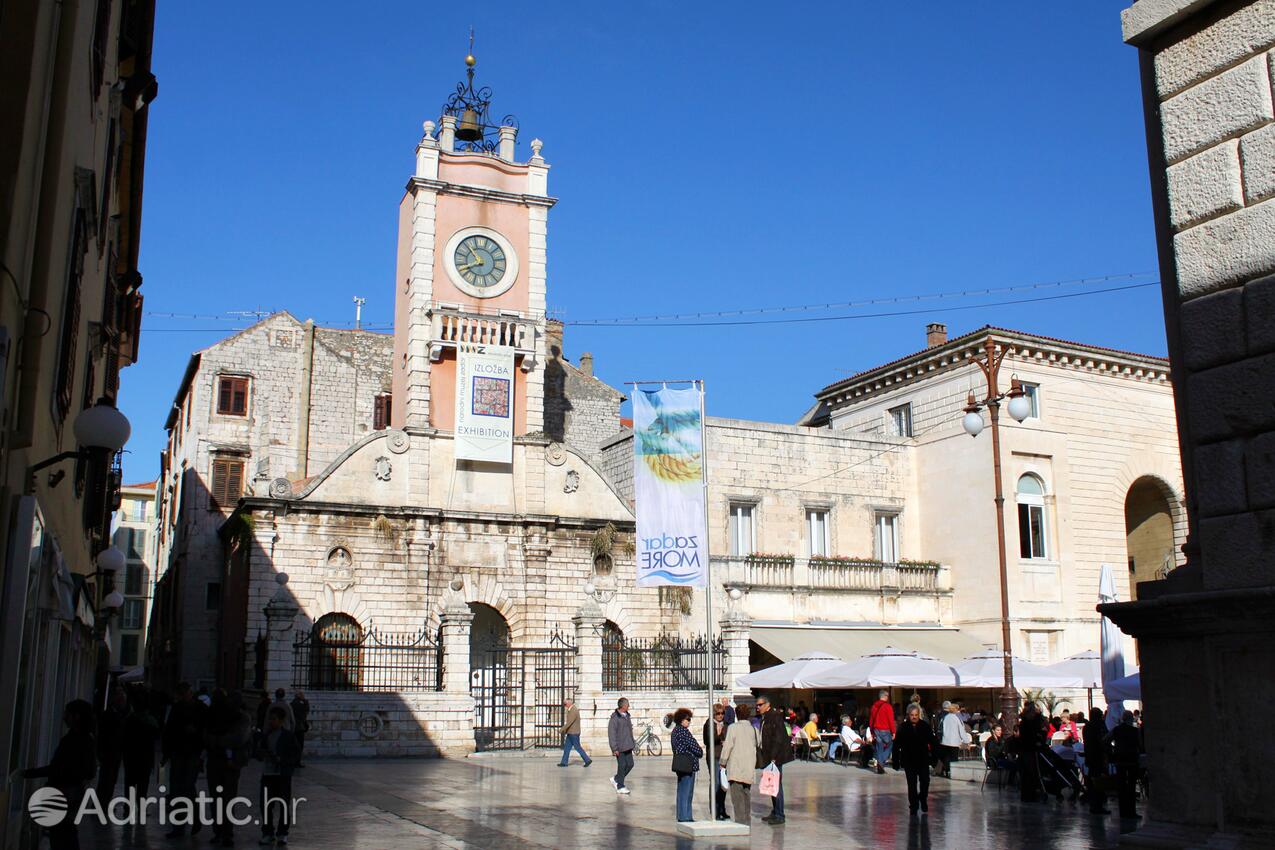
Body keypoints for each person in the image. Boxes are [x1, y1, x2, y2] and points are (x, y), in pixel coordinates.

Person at [23, 700, 96, 850]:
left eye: (66, 713)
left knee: (61, 836)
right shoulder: (87, 739)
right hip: (73, 795)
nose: (63, 717)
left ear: (75, 716)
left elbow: (56, 768)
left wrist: (26, 774)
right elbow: (91, 771)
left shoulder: (73, 740)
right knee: (66, 834)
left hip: (63, 794)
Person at [205, 690, 253, 847]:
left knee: (227, 798)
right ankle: (219, 831)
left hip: (230, 762)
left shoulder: (242, 718)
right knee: (218, 798)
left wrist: (216, 740)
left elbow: (238, 739)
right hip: (218, 761)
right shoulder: (217, 716)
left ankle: (226, 832)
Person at [162, 682, 207, 837]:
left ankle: (194, 819)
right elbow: (169, 730)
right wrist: (166, 752)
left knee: (187, 787)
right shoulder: (177, 708)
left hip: (193, 752)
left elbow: (205, 729)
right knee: (177, 788)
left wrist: (196, 733)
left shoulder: (200, 709)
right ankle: (179, 825)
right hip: (179, 752)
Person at [256, 705, 300, 846]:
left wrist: (283, 760)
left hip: (282, 775)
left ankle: (282, 833)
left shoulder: (288, 736)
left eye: (274, 719)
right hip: (268, 774)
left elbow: (295, 754)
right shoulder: (267, 735)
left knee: (283, 804)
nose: (271, 722)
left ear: (281, 721)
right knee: (266, 805)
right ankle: (268, 832)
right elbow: (258, 753)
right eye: (270, 719)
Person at [719, 703, 759, 825]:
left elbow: (728, 746)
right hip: (749, 766)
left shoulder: (733, 728)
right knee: (746, 794)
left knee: (737, 798)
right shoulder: (754, 729)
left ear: (737, 714)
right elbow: (759, 743)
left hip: (736, 766)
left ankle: (741, 822)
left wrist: (723, 762)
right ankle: (747, 821)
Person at [755, 695, 792, 825]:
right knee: (771, 785)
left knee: (776, 785)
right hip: (768, 756)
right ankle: (775, 811)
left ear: (767, 704)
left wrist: (773, 757)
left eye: (760, 704)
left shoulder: (775, 716)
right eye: (757, 705)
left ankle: (780, 814)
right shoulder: (766, 717)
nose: (757, 707)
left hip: (774, 758)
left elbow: (778, 738)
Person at [895, 705, 936, 815]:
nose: (914, 717)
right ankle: (913, 805)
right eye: (912, 715)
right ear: (908, 715)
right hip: (909, 759)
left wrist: (935, 758)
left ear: (919, 715)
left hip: (922, 759)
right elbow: (896, 744)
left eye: (916, 715)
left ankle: (923, 799)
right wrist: (896, 761)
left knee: (925, 782)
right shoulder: (903, 727)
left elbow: (933, 742)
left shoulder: (925, 726)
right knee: (911, 784)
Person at [121, 690, 160, 798]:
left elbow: (124, 738)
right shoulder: (151, 721)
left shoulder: (129, 720)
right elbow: (156, 737)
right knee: (143, 785)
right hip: (146, 758)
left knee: (130, 784)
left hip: (131, 757)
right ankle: (141, 805)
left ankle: (128, 808)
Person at [1106, 709, 1143, 819]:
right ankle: (1131, 812)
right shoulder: (1135, 731)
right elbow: (1140, 745)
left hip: (1120, 760)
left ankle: (1123, 812)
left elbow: (1106, 740)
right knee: (1131, 786)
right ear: (1131, 719)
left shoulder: (1116, 730)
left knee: (1121, 787)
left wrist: (1113, 750)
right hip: (1132, 760)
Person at [95, 688, 128, 801]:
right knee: (107, 779)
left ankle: (105, 800)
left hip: (114, 752)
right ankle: (103, 801)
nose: (124, 704)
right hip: (110, 752)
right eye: (123, 701)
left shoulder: (114, 714)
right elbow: (104, 734)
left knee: (109, 778)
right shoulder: (110, 715)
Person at [670, 708, 702, 823]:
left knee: (681, 790)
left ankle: (681, 815)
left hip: (680, 764)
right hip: (688, 765)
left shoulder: (675, 731)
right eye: (687, 719)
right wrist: (700, 752)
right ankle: (686, 816)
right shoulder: (683, 731)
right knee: (687, 792)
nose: (689, 721)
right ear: (681, 720)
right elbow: (694, 746)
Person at [1017, 701, 1047, 803]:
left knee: (1028, 774)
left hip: (1027, 750)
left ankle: (1028, 794)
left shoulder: (1025, 722)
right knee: (1030, 773)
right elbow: (1033, 735)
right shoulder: (1029, 722)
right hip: (1029, 750)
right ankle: (1030, 794)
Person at [1083, 708, 1111, 815]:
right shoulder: (1099, 726)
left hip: (1090, 757)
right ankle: (1098, 805)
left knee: (1092, 781)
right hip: (1098, 757)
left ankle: (1094, 804)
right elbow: (1103, 740)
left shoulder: (1087, 726)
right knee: (1098, 781)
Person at [703, 704, 728, 819]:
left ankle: (722, 809)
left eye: (722, 713)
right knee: (715, 783)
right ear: (714, 713)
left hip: (724, 757)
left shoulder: (726, 725)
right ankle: (714, 810)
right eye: (718, 713)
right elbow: (708, 740)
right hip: (714, 756)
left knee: (723, 783)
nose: (720, 716)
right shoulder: (709, 724)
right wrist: (719, 737)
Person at [607, 697, 635, 794]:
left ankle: (616, 778)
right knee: (622, 765)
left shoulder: (627, 716)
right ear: (623, 706)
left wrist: (633, 742)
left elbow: (630, 731)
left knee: (630, 764)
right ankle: (620, 786)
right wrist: (614, 748)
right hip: (620, 747)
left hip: (628, 745)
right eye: (627, 704)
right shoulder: (615, 718)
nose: (629, 706)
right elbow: (611, 734)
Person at [938, 701, 970, 778]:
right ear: (955, 710)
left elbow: (940, 728)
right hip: (954, 742)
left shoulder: (944, 718)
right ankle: (953, 773)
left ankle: (947, 771)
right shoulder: (957, 719)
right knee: (954, 758)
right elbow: (961, 730)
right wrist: (967, 741)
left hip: (945, 741)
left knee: (946, 758)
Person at [557, 697, 591, 767]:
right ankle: (564, 762)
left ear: (569, 703)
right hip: (571, 732)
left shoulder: (573, 710)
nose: (564, 705)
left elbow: (569, 722)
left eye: (565, 704)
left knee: (577, 747)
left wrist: (561, 729)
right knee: (567, 748)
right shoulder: (571, 709)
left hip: (574, 733)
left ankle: (587, 760)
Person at [869, 690, 896, 774]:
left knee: (879, 747)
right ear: (885, 696)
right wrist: (894, 732)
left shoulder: (874, 706)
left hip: (876, 729)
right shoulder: (888, 706)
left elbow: (871, 720)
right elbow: (891, 720)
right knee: (890, 744)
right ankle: (881, 762)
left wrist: (871, 731)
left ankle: (880, 765)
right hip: (885, 730)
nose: (888, 698)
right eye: (887, 696)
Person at [290, 690, 311, 766]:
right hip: (300, 727)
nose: (303, 695)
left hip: (293, 727)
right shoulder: (303, 703)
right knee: (300, 745)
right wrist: (305, 700)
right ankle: (297, 762)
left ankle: (292, 760)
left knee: (293, 745)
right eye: (302, 694)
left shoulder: (291, 704)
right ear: (299, 696)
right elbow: (306, 711)